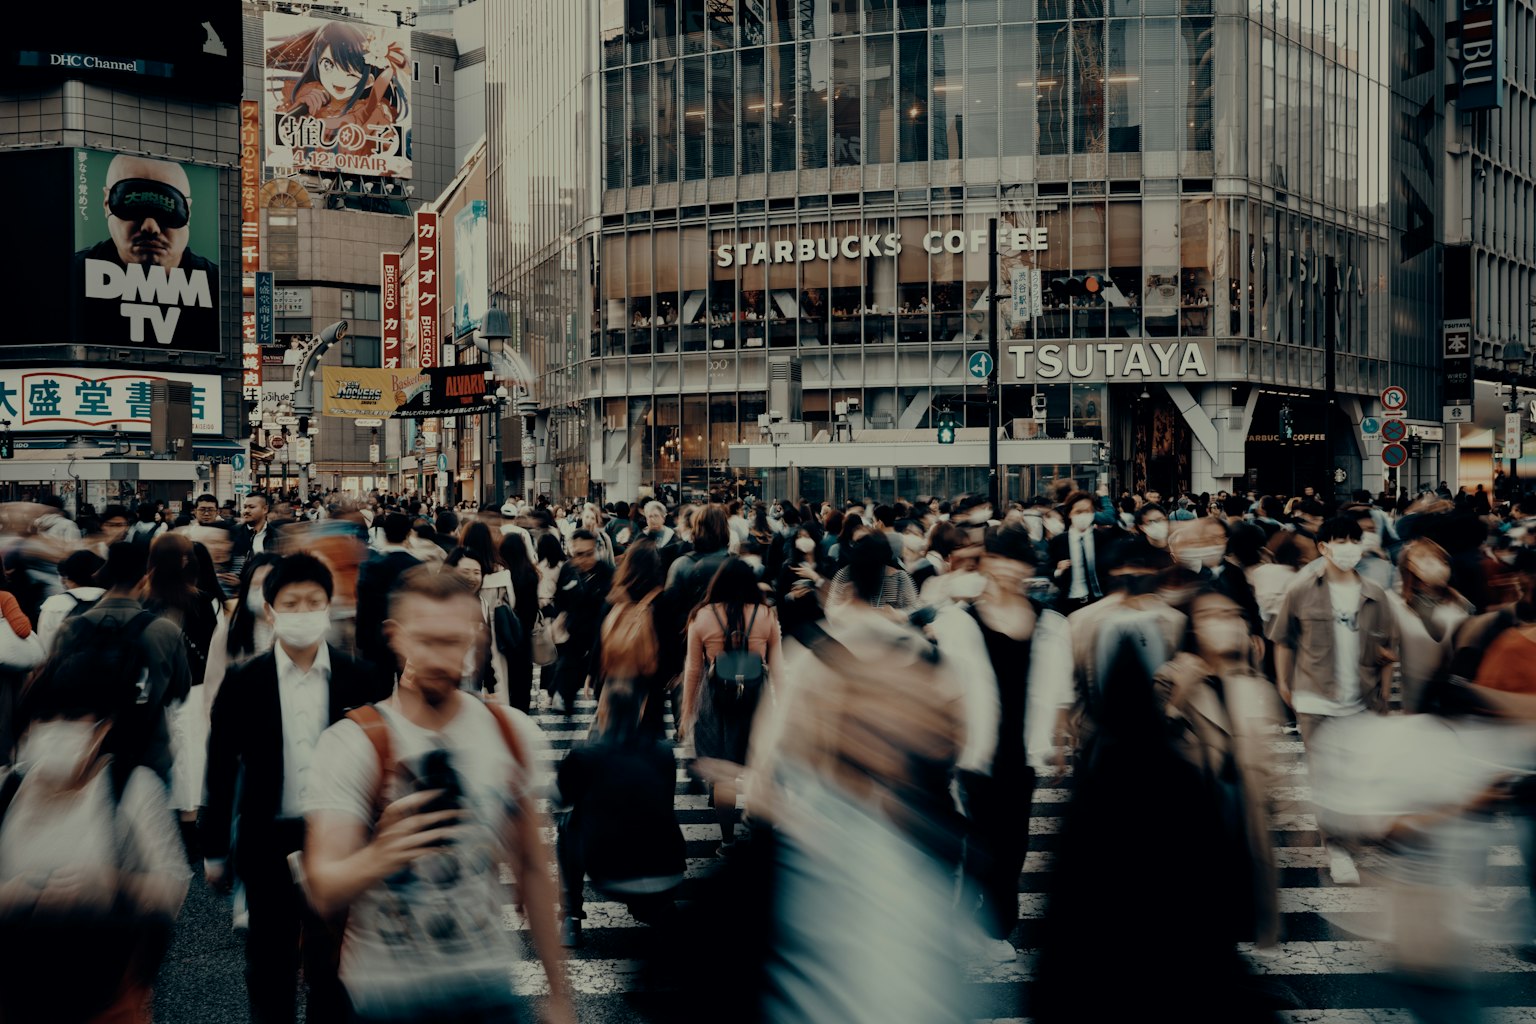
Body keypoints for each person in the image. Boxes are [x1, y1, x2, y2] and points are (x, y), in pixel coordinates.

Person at [300, 568, 573, 1024]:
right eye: (427, 641)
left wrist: (559, 994)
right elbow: (324, 887)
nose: (443, 658)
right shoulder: (353, 744)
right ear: (397, 638)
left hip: (488, 989)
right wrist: (382, 854)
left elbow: (531, 866)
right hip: (386, 999)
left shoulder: (511, 735)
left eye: (455, 641)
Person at [744, 531, 967, 1024]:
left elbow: (766, 765)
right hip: (907, 837)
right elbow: (956, 739)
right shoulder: (916, 652)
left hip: (822, 836)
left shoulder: (820, 649)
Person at [202, 554, 382, 1024]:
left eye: (313, 602)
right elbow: (220, 767)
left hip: (340, 838)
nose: (303, 611)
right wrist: (215, 848)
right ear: (269, 609)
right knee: (269, 965)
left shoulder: (360, 678)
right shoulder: (244, 682)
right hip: (268, 838)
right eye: (292, 602)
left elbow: (382, 764)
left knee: (336, 967)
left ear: (329, 607)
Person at [0, 649, 190, 1024]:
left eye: (72, 717)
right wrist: (17, 893)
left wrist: (110, 885)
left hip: (108, 995)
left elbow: (173, 888)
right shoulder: (7, 789)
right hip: (13, 992)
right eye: (45, 717)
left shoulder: (131, 790)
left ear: (102, 729)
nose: (55, 729)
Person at [1268, 515, 1400, 885]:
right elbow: (1283, 640)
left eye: (1354, 539)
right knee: (1325, 778)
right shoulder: (1302, 588)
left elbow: (1388, 649)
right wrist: (1284, 684)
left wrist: (1385, 695)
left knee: (1357, 773)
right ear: (1323, 546)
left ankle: (1354, 835)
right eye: (1340, 540)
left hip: (1362, 698)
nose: (1349, 547)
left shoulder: (1375, 594)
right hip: (1315, 700)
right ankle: (1336, 848)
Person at [553, 679, 686, 948]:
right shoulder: (663, 752)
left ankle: (571, 916)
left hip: (609, 870)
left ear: (603, 712)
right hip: (668, 870)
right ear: (640, 711)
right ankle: (658, 908)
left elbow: (559, 800)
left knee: (568, 823)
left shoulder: (584, 756)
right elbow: (664, 803)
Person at [49, 543, 191, 785]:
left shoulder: (72, 626)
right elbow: (180, 690)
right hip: (148, 754)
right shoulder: (165, 629)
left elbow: (53, 688)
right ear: (146, 578)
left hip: (86, 755)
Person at [680, 557, 783, 854]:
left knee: (723, 776)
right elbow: (777, 667)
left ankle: (726, 841)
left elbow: (693, 670)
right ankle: (754, 837)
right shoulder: (765, 615)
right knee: (757, 770)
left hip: (716, 701)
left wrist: (688, 712)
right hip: (758, 700)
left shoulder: (701, 617)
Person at [71, 154, 218, 350]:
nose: (150, 227)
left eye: (167, 208)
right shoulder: (69, 277)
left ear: (188, 212)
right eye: (133, 206)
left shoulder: (218, 286)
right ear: (107, 203)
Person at [355, 513, 422, 674]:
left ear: (384, 532)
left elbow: (364, 607)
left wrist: (362, 640)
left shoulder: (371, 565)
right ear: (408, 533)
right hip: (409, 640)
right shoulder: (418, 566)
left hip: (376, 639)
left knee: (379, 690)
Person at [1050, 491, 1118, 610]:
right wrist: (1057, 570)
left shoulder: (1102, 538)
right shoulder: (1059, 541)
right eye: (1078, 512)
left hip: (1098, 601)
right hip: (1068, 603)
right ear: (1070, 513)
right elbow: (1048, 569)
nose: (1083, 515)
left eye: (1088, 511)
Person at [35, 548, 106, 652]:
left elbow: (46, 647)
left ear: (67, 577)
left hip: (67, 666)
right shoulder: (112, 599)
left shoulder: (54, 604)